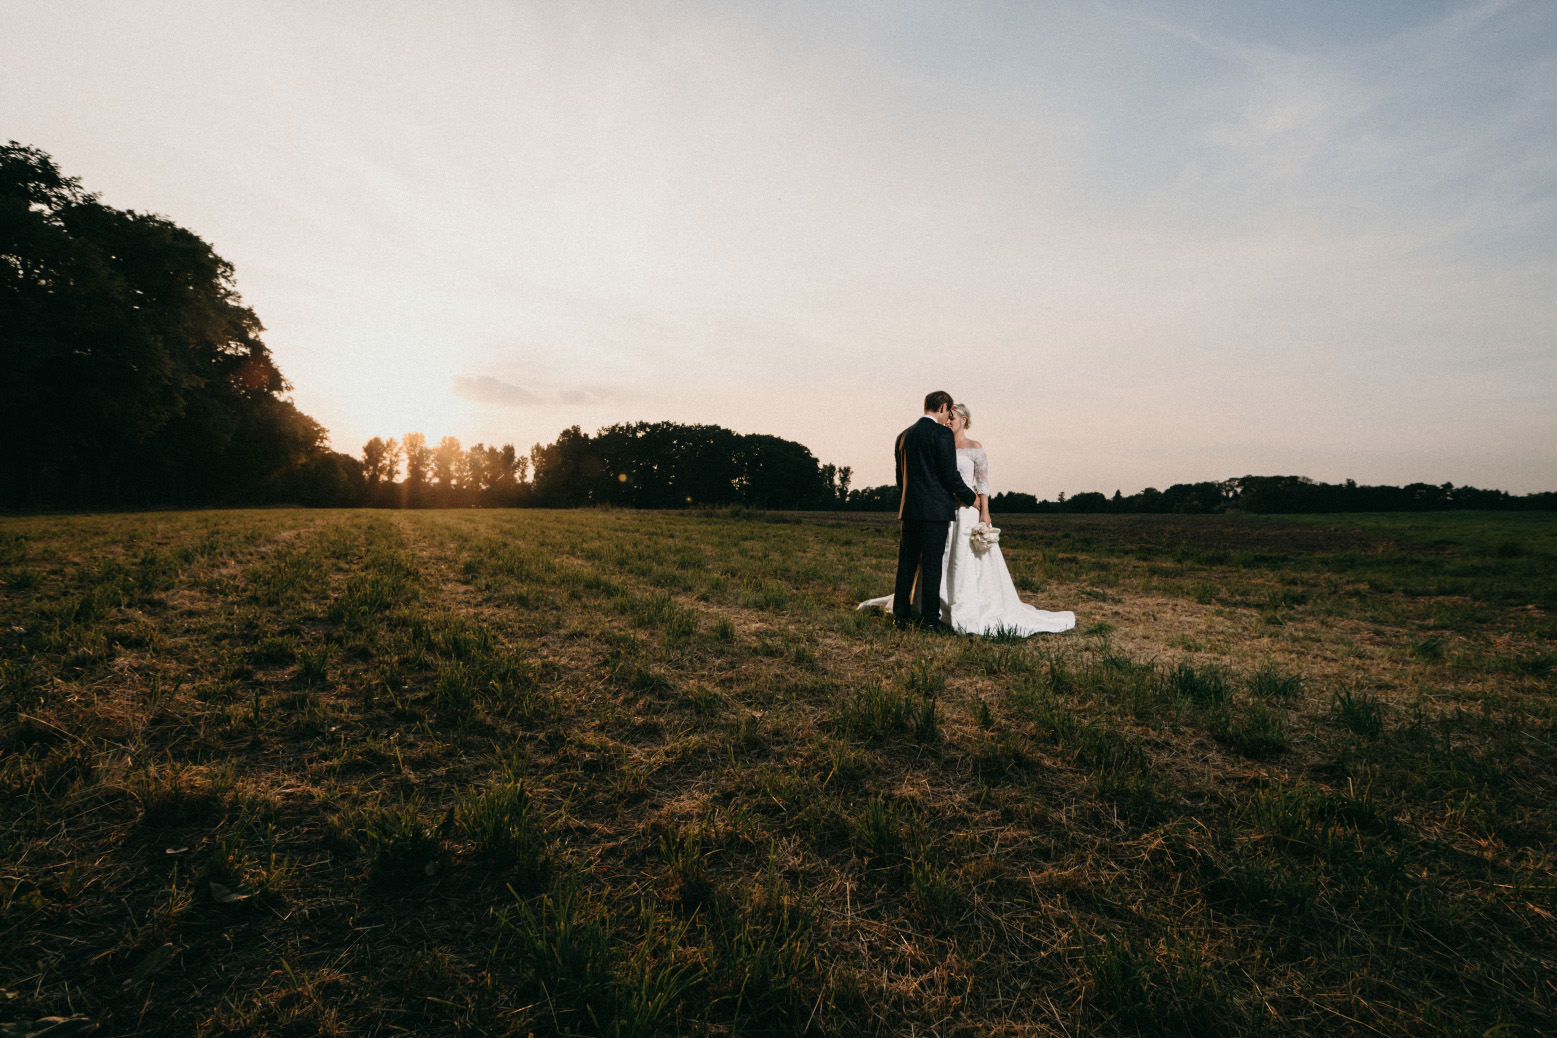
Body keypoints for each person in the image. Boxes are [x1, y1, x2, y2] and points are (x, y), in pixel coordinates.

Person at [860, 401, 1076, 636]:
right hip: (940, 511)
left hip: (965, 512)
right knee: (935, 561)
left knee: (960, 560)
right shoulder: (939, 441)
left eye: (953, 417)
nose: (949, 420)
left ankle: (962, 606)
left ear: (963, 420)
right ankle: (930, 609)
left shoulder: (974, 447)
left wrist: (983, 509)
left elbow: (983, 482)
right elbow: (944, 478)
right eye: (948, 415)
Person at [886, 390, 978, 631]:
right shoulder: (942, 434)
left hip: (909, 510)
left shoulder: (903, 436)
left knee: (906, 564)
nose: (948, 416)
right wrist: (972, 498)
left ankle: (901, 618)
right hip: (935, 513)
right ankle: (929, 620)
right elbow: (950, 476)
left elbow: (900, 478)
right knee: (931, 566)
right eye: (948, 411)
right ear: (943, 407)